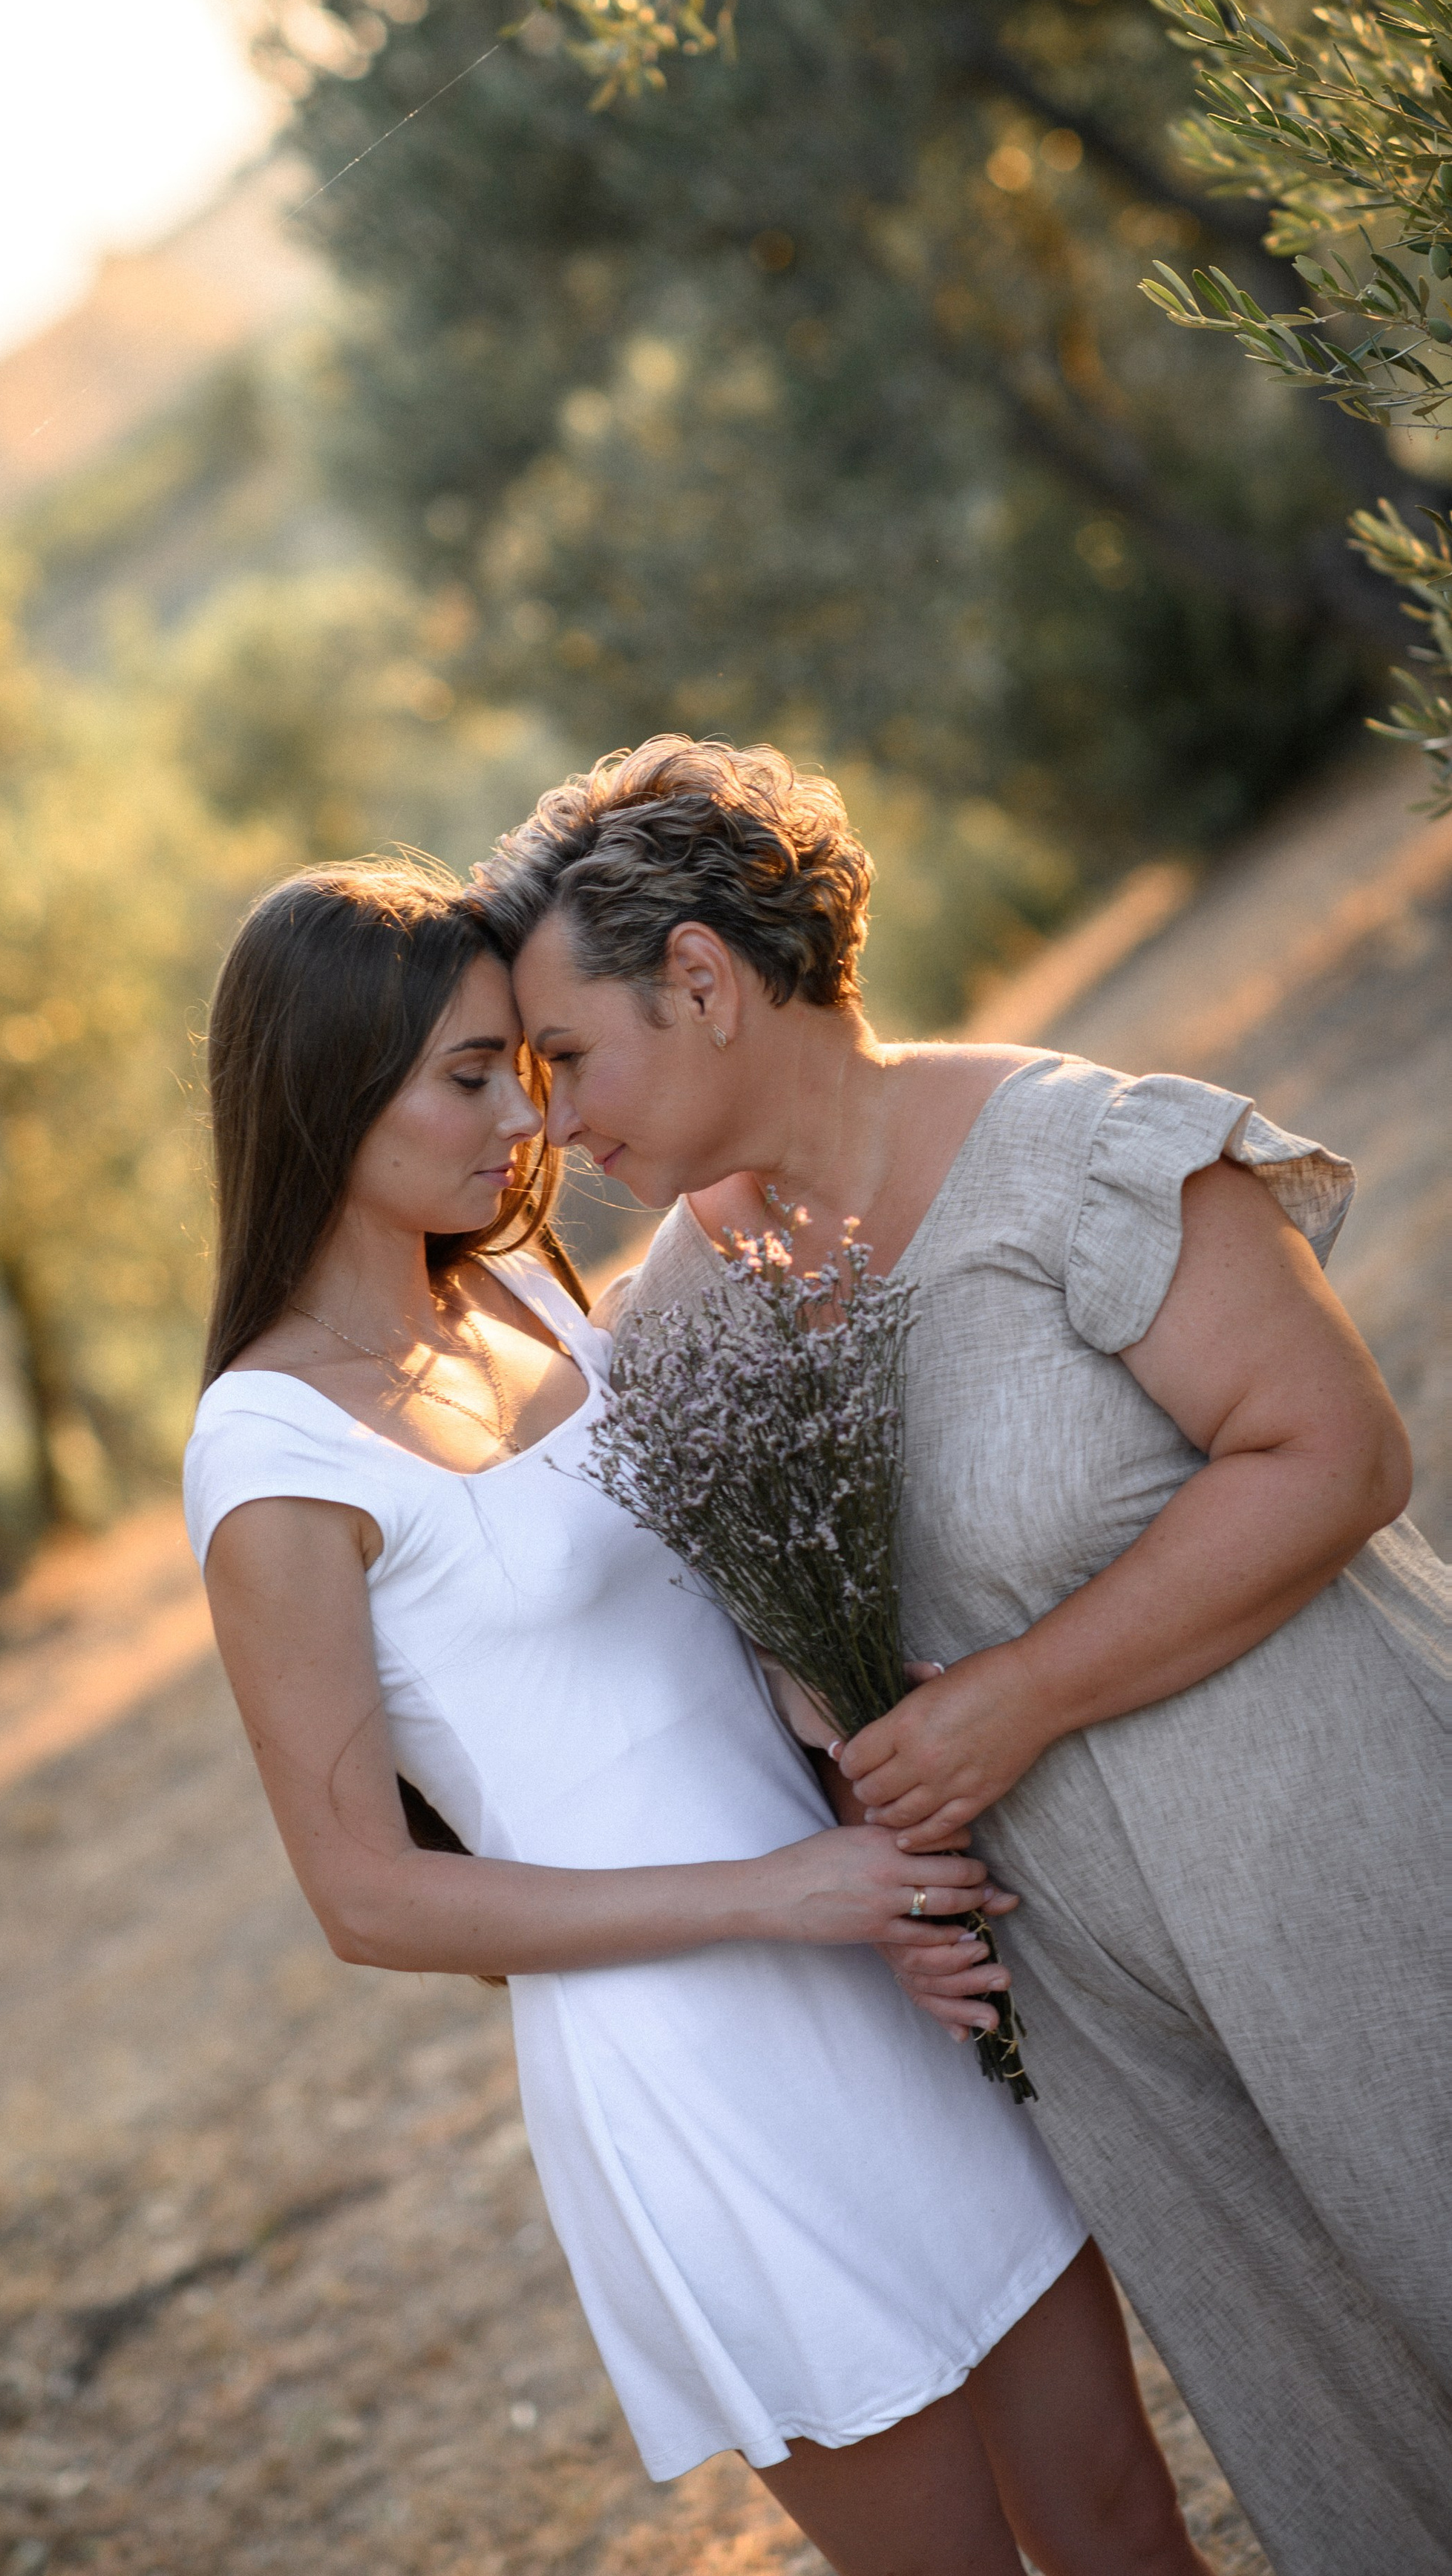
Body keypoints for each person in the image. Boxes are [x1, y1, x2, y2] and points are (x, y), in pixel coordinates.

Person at [473, 733, 1452, 2576]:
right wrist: (871, 1835)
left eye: (567, 1058)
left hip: (1353, 1858)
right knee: (1330, 2418)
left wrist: (1017, 1695)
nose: (550, 1121)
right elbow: (775, 1674)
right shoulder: (675, 1328)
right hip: (1093, 2010)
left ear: (699, 979)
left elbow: (1335, 1450)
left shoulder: (1069, 1151)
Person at [183, 856, 1212, 2576]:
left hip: (880, 1971)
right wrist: (776, 1896)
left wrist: (855, 1803)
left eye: (527, 1059)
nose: (522, 1115)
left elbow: (698, 1629)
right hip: (694, 2075)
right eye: (465, 1076)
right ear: (321, 1088)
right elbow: (367, 1896)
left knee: (1120, 2519)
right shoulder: (267, 1447)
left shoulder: (522, 1299)